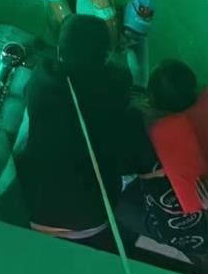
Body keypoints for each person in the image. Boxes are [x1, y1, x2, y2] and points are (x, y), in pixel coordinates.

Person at [9, 14, 137, 250]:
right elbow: (122, 76)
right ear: (105, 55)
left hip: (30, 210)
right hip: (89, 220)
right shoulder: (117, 84)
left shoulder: (43, 77)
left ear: (61, 50)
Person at [119, 60, 208, 262]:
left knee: (119, 206)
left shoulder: (143, 132)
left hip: (188, 231)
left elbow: (123, 166)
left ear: (151, 98)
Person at [69, 0, 155, 88]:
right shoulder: (96, 26)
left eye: (136, 37)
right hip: (80, 1)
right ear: (118, 20)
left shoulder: (135, 35)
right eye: (127, 35)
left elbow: (140, 81)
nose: (128, 42)